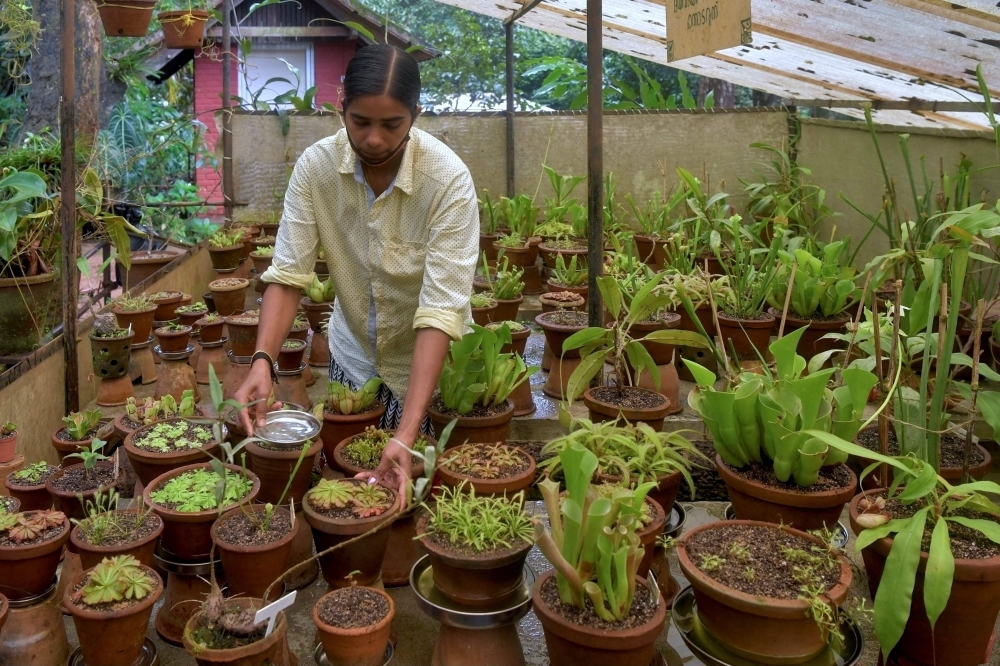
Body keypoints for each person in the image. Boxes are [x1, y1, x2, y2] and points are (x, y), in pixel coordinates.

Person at [235, 44, 479, 504]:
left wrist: (407, 430)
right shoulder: (316, 170)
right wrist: (262, 360)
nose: (373, 139)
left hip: (424, 366)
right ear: (341, 107)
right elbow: (289, 275)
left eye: (392, 125)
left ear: (416, 115)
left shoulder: (447, 182)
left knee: (417, 490)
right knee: (350, 487)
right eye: (360, 122)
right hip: (352, 358)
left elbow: (441, 312)